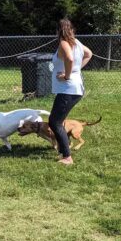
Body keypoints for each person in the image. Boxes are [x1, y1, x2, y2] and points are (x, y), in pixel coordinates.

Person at [49, 18, 93, 165]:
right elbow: (89, 54)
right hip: (74, 89)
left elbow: (69, 58)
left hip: (68, 89)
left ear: (58, 31)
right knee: (57, 121)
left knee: (55, 122)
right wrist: (76, 70)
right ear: (71, 29)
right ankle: (63, 150)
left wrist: (67, 75)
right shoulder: (77, 42)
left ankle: (67, 157)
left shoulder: (64, 42)